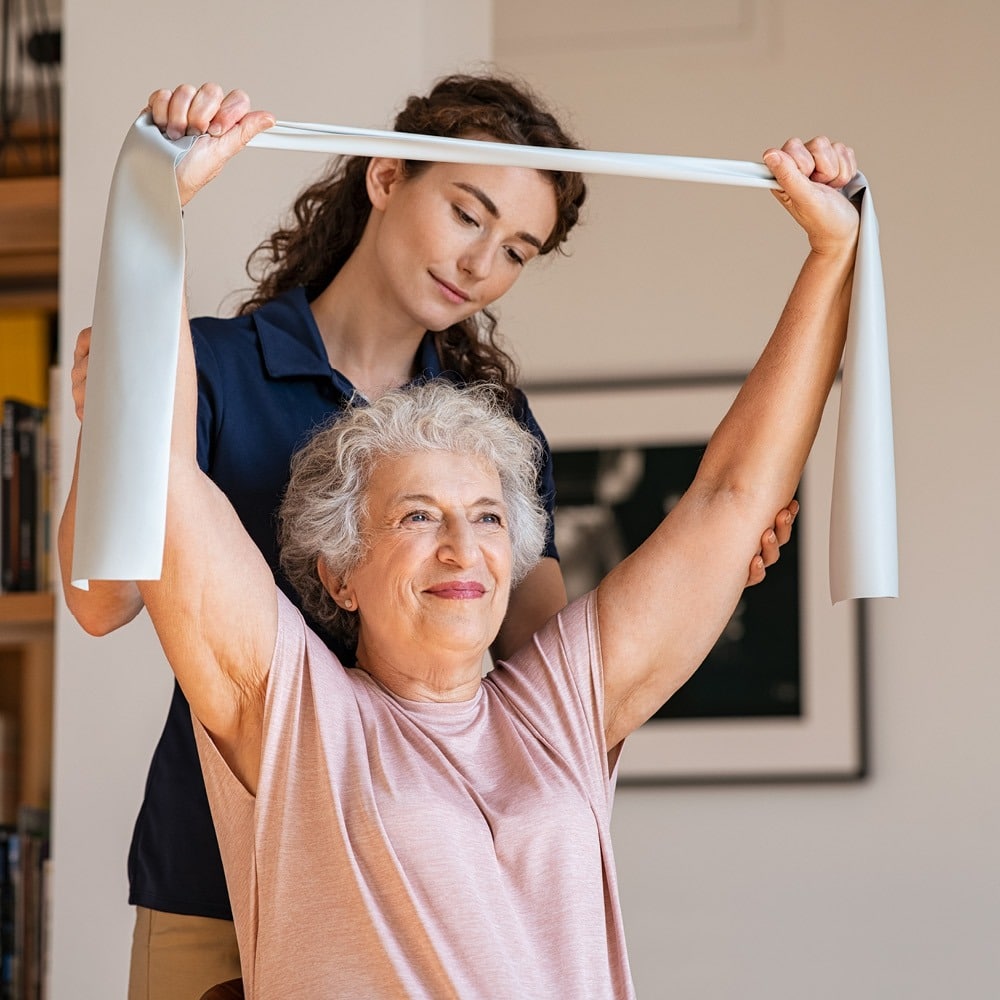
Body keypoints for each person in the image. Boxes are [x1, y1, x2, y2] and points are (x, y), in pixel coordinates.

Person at [60, 78, 798, 998]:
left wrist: (710, 574)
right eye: (467, 213)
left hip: (422, 860)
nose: (482, 261)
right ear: (385, 175)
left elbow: (541, 658)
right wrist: (118, 426)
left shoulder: (495, 430)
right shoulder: (209, 364)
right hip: (211, 868)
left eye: (517, 249)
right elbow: (101, 601)